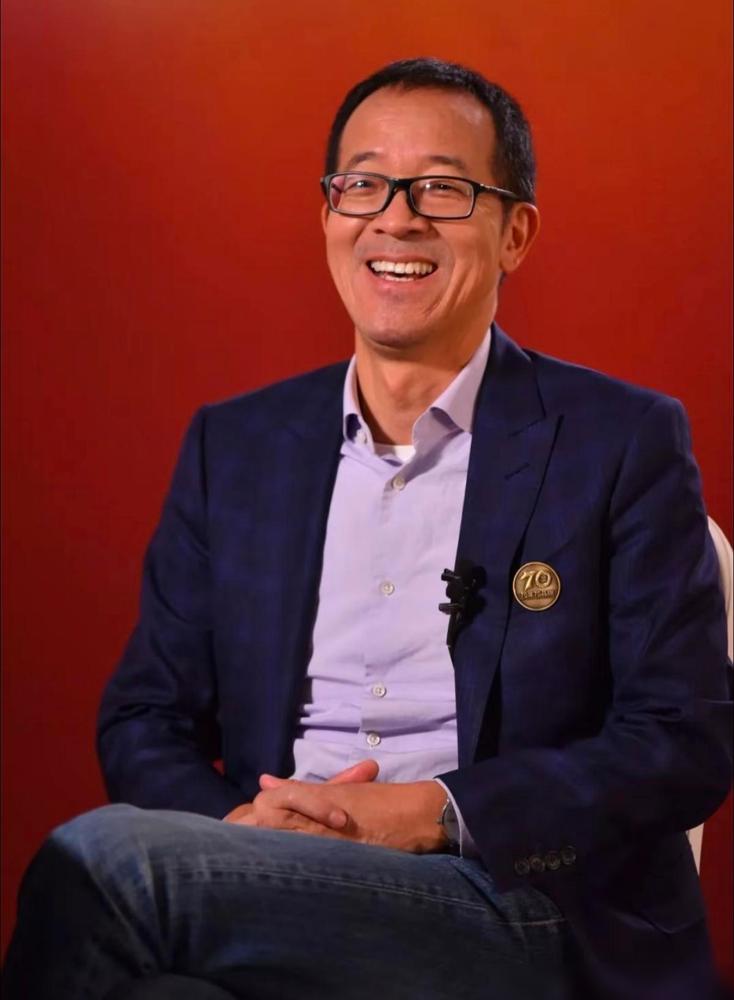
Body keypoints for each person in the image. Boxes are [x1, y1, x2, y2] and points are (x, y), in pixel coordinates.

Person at [3, 57, 732, 1000]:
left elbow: (681, 741)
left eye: (442, 188)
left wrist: (432, 812)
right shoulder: (238, 445)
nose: (396, 218)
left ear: (515, 233)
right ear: (328, 214)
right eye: (364, 184)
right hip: (269, 879)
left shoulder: (620, 440)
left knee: (105, 864)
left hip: (515, 905)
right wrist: (247, 837)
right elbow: (146, 717)